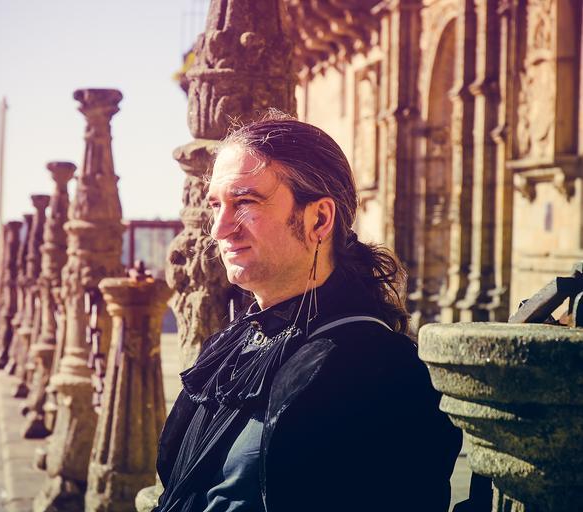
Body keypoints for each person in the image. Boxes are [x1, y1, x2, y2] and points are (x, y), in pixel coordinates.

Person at [154, 113, 463, 512]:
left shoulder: (381, 369)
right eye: (217, 205)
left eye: (244, 202)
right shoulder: (231, 344)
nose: (219, 229)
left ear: (319, 219)